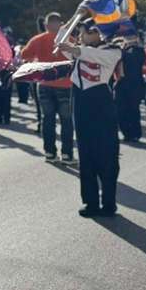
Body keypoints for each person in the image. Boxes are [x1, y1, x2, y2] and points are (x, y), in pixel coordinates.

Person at [57, 19, 122, 217]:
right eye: (82, 32)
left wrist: (76, 48)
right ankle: (91, 202)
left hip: (101, 105)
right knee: (86, 156)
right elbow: (60, 43)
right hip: (80, 104)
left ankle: (109, 203)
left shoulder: (112, 50)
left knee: (107, 155)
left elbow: (92, 55)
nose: (83, 36)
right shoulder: (79, 49)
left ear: (97, 33)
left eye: (86, 32)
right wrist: (71, 22)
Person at [21, 12, 75, 162]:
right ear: (60, 24)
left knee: (47, 119)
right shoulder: (69, 40)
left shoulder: (37, 40)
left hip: (44, 84)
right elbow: (77, 56)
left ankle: (50, 153)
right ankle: (67, 154)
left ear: (46, 25)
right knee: (66, 121)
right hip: (65, 84)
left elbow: (24, 55)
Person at [115, 34, 146, 143]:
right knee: (121, 110)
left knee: (133, 110)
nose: (129, 39)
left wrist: (120, 51)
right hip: (120, 84)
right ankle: (126, 133)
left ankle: (135, 134)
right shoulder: (121, 49)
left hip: (134, 85)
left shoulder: (138, 51)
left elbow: (133, 60)